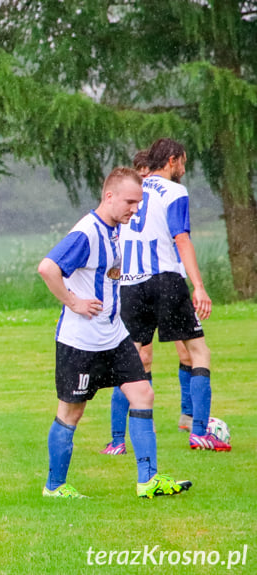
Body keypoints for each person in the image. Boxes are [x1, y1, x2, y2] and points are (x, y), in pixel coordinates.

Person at [37, 167, 190, 498]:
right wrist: (74, 302)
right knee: (71, 412)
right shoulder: (87, 233)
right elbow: (47, 268)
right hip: (80, 342)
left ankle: (148, 480)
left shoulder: (115, 230)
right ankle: (55, 486)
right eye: (130, 202)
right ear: (109, 197)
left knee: (142, 393)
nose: (135, 210)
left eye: (138, 203)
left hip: (114, 335)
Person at [115, 138, 228, 451]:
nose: (183, 168)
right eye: (183, 162)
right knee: (198, 352)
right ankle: (199, 432)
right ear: (173, 160)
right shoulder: (175, 191)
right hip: (165, 279)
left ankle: (118, 441)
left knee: (132, 359)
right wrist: (199, 286)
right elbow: (181, 238)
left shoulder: (135, 188)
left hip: (131, 284)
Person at [102, 150, 196, 455]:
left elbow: (176, 237)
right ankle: (124, 434)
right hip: (135, 284)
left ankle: (189, 416)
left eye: (146, 170)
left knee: (187, 351)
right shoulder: (129, 206)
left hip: (166, 278)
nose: (143, 176)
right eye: (138, 171)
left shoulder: (156, 198)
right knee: (139, 358)